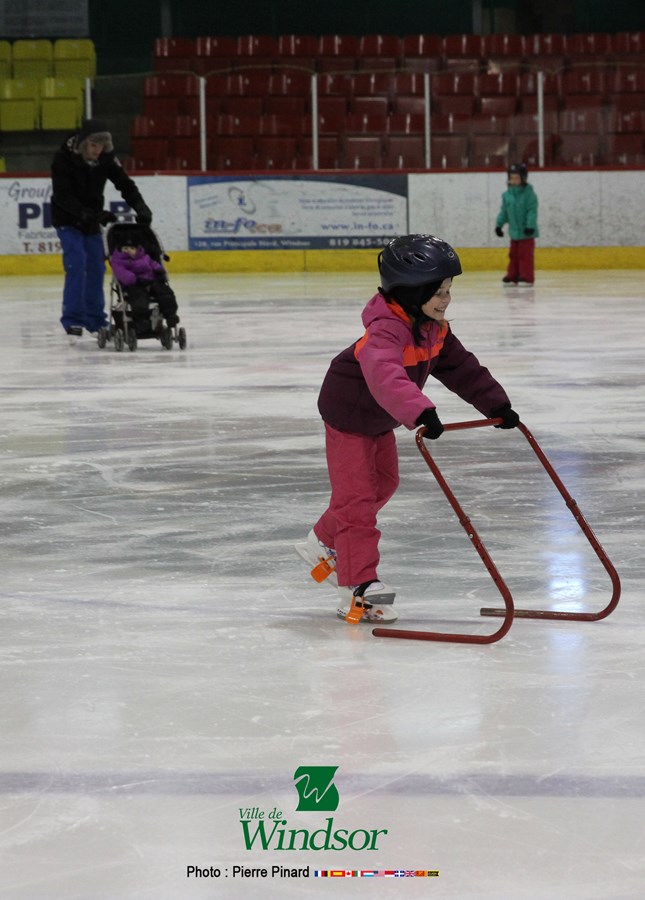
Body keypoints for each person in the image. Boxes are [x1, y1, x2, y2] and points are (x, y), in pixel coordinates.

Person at [295, 234, 520, 625]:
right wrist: (421, 411)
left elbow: (462, 368)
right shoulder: (386, 331)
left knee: (384, 483)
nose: (447, 299)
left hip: (379, 418)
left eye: (449, 290)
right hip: (349, 414)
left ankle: (322, 541)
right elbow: (386, 376)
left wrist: (495, 403)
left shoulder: (433, 329)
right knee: (357, 500)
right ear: (412, 291)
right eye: (439, 291)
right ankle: (359, 584)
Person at [51, 118, 153, 339]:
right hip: (67, 219)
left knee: (97, 267)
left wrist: (141, 207)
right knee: (77, 262)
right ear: (83, 143)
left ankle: (96, 320)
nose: (98, 150)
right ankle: (73, 319)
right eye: (93, 145)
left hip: (91, 222)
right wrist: (86, 213)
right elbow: (62, 196)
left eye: (102, 146)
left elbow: (125, 184)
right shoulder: (63, 159)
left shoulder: (107, 159)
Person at [109, 232, 179, 334]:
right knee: (139, 299)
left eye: (132, 248)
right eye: (125, 248)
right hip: (134, 284)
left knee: (164, 292)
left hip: (150, 281)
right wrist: (135, 279)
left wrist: (159, 270)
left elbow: (153, 264)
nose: (128, 251)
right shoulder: (118, 261)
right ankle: (141, 321)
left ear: (137, 249)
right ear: (120, 249)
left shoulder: (144, 257)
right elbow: (122, 273)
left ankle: (170, 315)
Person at [495, 162, 539, 286]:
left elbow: (532, 211)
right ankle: (513, 275)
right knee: (513, 255)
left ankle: (526, 277)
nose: (514, 180)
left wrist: (530, 226)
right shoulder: (506, 195)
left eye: (517, 178)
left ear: (523, 178)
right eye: (512, 178)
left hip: (527, 232)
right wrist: (499, 225)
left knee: (525, 256)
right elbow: (504, 212)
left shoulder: (529, 194)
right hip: (514, 233)